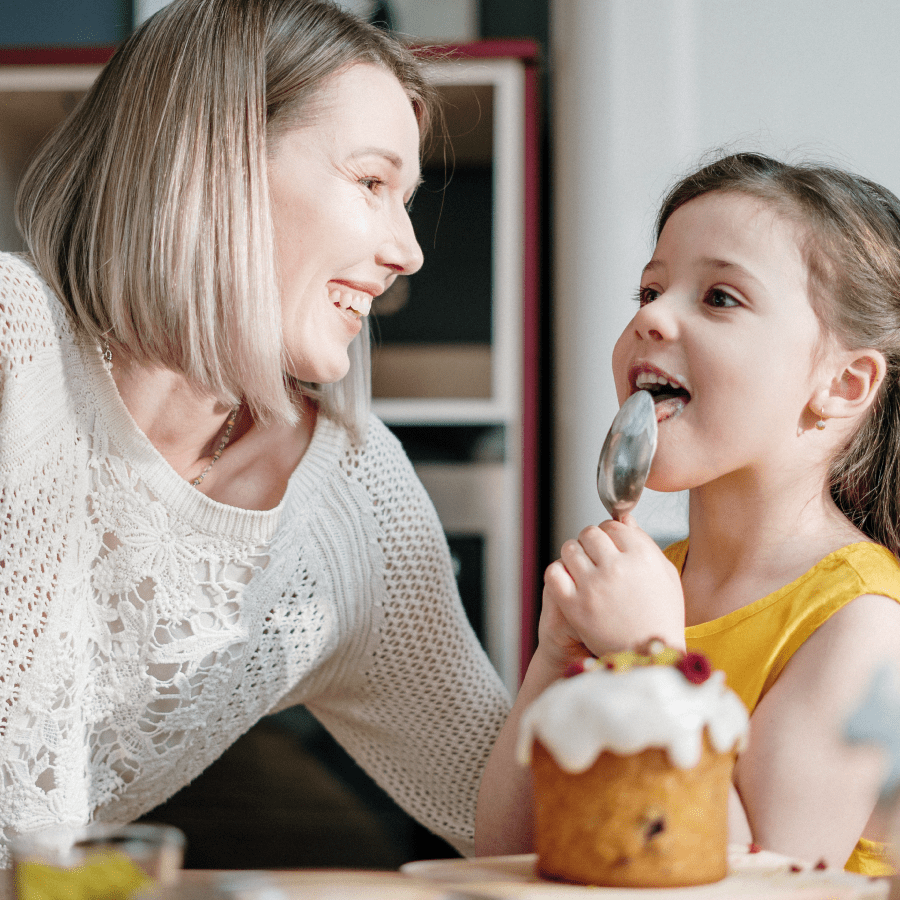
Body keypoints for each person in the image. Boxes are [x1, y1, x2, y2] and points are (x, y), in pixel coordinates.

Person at [0, 0, 513, 868]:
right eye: (371, 182)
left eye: (408, 199)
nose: (408, 251)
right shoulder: (15, 344)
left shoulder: (355, 504)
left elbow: (511, 826)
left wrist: (608, 655)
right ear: (214, 163)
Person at [476, 151, 900, 875]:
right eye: (649, 289)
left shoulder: (865, 622)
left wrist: (650, 662)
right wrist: (559, 658)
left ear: (842, 382)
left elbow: (766, 883)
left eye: (720, 298)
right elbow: (509, 851)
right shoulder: (653, 584)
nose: (652, 317)